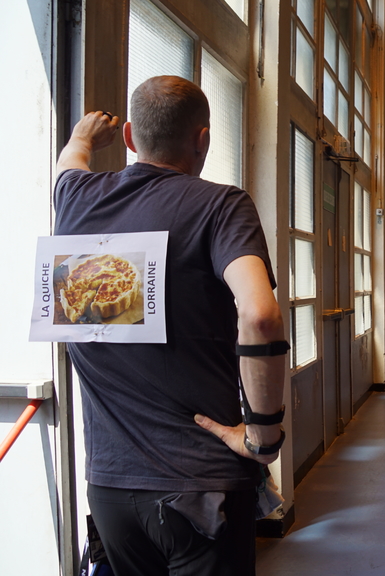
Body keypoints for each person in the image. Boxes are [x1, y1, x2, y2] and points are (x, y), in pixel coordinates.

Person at [53, 76, 287, 575]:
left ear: (130, 137)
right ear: (203, 139)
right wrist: (263, 436)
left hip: (111, 488)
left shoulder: (75, 197)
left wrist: (82, 137)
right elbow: (260, 314)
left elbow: (68, 164)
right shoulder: (221, 206)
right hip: (202, 486)